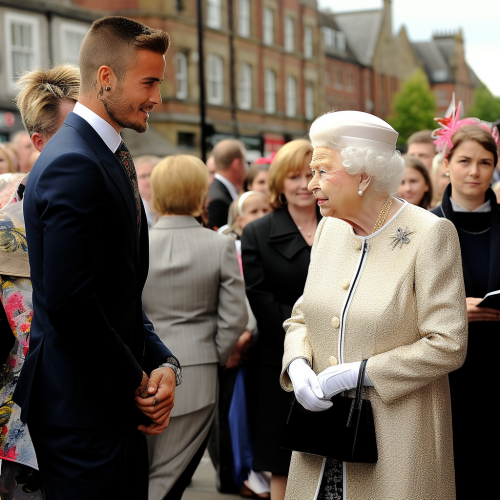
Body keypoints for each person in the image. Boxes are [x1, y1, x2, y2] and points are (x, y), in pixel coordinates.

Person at [13, 16, 181, 500]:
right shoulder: (74, 161)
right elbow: (71, 304)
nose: (156, 97)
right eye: (148, 82)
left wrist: (163, 362)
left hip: (100, 404)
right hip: (81, 412)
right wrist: (139, 384)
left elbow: (115, 294)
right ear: (105, 78)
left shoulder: (103, 152)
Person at [281, 111, 467, 500]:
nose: (312, 184)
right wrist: (297, 363)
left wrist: (360, 373)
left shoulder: (430, 234)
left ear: (363, 174)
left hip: (397, 439)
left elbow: (448, 344)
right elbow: (302, 316)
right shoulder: (330, 228)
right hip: (321, 440)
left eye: (321, 170)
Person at [143, 155, 247, 500]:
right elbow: (234, 317)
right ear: (199, 194)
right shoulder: (218, 245)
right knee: (169, 475)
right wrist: (213, 357)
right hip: (199, 369)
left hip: (142, 369)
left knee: (145, 469)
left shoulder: (137, 244)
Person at [0, 63, 81, 500]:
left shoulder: (108, 208)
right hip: (22, 426)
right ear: (39, 142)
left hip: (95, 417)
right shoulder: (6, 227)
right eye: (73, 132)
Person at [241, 139, 321, 500]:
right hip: (280, 363)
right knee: (282, 460)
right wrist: (301, 351)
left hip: (339, 359)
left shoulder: (343, 225)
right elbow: (262, 300)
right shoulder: (258, 232)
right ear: (278, 181)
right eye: (294, 176)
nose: (304, 184)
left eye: (312, 173)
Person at [430, 111, 500, 499]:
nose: (475, 171)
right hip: (448, 375)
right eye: (465, 160)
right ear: (447, 164)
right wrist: (459, 310)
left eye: (485, 162)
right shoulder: (425, 226)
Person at [208, 139, 247, 231]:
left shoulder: (218, 192)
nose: (246, 168)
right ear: (237, 164)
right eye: (244, 162)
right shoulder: (218, 200)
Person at [135, 154, 161, 227]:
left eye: (152, 174)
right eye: (143, 176)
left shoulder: (173, 206)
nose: (149, 180)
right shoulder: (133, 210)